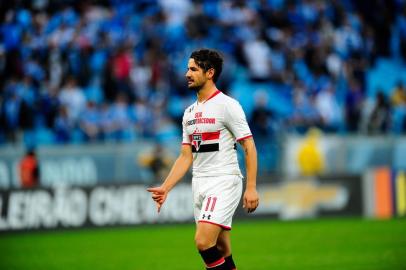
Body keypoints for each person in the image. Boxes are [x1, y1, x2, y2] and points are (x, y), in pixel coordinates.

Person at [147, 49, 259, 270]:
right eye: (187, 69)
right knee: (222, 249)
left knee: (203, 241)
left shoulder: (228, 105)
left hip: (223, 180)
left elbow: (249, 146)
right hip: (200, 183)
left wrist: (252, 187)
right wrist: (166, 187)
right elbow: (185, 156)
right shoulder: (189, 113)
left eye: (193, 69)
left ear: (210, 73)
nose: (187, 74)